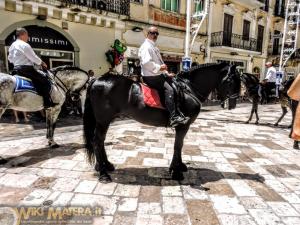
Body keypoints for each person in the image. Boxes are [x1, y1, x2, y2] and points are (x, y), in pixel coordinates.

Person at [138, 26, 189, 127]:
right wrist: (159, 67)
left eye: (157, 33)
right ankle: (173, 117)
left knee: (175, 83)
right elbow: (146, 63)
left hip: (157, 74)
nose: (155, 35)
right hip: (151, 76)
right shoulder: (146, 47)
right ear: (148, 33)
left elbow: (160, 63)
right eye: (153, 33)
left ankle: (177, 110)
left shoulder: (154, 47)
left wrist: (166, 73)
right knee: (169, 89)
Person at [8, 27, 56, 108]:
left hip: (16, 69)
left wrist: (17, 62)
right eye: (27, 35)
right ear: (23, 35)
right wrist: (41, 63)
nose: (28, 38)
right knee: (45, 81)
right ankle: (47, 103)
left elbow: (10, 59)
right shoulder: (24, 45)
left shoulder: (12, 46)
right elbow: (33, 57)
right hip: (26, 70)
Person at [288, 73, 300, 140]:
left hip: (294, 99)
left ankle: (293, 136)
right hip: (296, 100)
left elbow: (290, 92)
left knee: (295, 118)